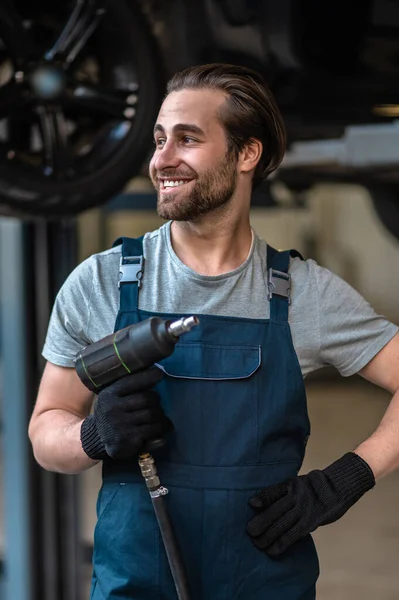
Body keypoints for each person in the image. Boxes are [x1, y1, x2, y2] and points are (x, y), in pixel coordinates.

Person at [28, 63, 399, 600]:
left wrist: (347, 478)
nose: (162, 159)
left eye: (188, 139)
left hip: (263, 580)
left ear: (246, 154)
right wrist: (90, 435)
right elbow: (45, 435)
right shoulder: (103, 283)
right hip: (135, 581)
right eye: (159, 140)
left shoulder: (303, 294)